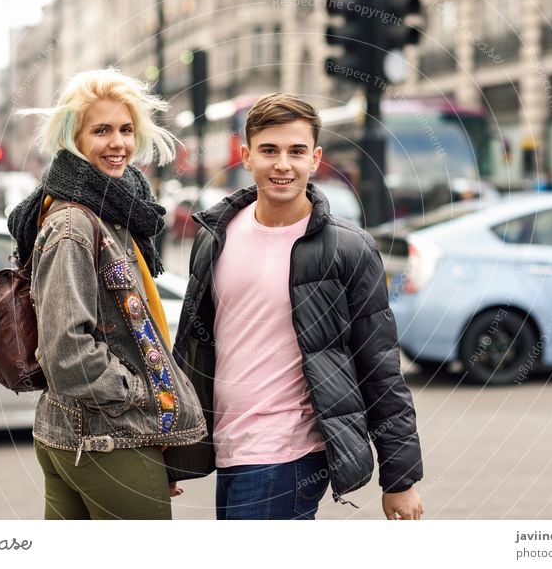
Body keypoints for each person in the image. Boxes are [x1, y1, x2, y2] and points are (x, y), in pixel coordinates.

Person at [166, 93, 424, 520]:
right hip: (230, 447)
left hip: (288, 452)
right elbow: (193, 351)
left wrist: (401, 479)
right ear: (247, 157)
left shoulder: (348, 248)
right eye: (269, 150)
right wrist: (176, 451)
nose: (283, 164)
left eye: (296, 151)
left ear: (315, 158)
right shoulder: (216, 235)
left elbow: (379, 365)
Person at [7, 68, 206, 520]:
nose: (118, 143)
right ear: (73, 138)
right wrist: (140, 395)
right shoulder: (74, 224)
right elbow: (66, 351)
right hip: (107, 436)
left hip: (86, 434)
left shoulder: (111, 209)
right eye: (101, 130)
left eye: (125, 129)